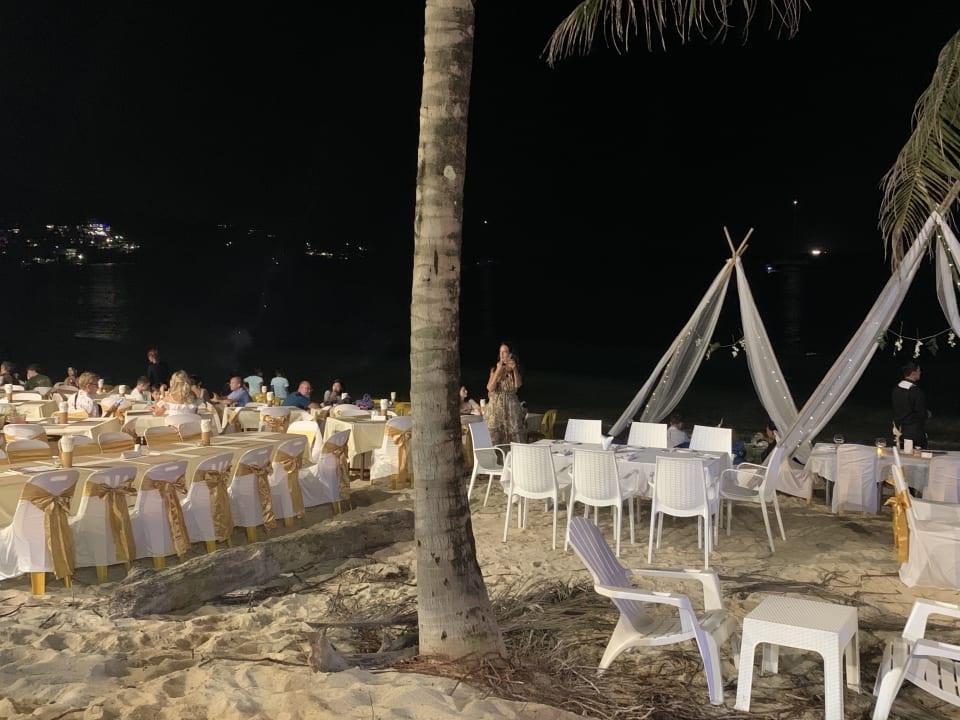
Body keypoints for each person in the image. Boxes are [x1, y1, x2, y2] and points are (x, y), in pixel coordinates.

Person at [485, 342, 525, 445]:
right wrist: (498, 371)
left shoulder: (516, 368)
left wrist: (514, 369)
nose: (502, 355)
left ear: (510, 354)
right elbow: (490, 388)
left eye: (505, 352)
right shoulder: (495, 369)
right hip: (496, 409)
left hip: (511, 409)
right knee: (495, 438)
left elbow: (517, 385)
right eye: (500, 352)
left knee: (513, 439)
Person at [892, 360, 929, 448]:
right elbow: (921, 413)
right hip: (914, 433)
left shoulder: (896, 389)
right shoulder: (915, 391)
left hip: (898, 430)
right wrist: (927, 414)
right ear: (913, 373)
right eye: (919, 370)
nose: (920, 372)